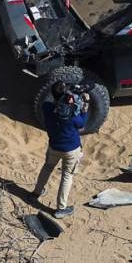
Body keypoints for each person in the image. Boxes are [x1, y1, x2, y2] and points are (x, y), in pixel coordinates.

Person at [32, 81, 89, 219]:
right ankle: (61, 209)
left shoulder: (47, 108)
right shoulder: (72, 116)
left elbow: (51, 104)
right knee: (67, 176)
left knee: (48, 167)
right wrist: (85, 104)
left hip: (54, 146)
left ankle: (36, 192)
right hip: (71, 149)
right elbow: (82, 123)